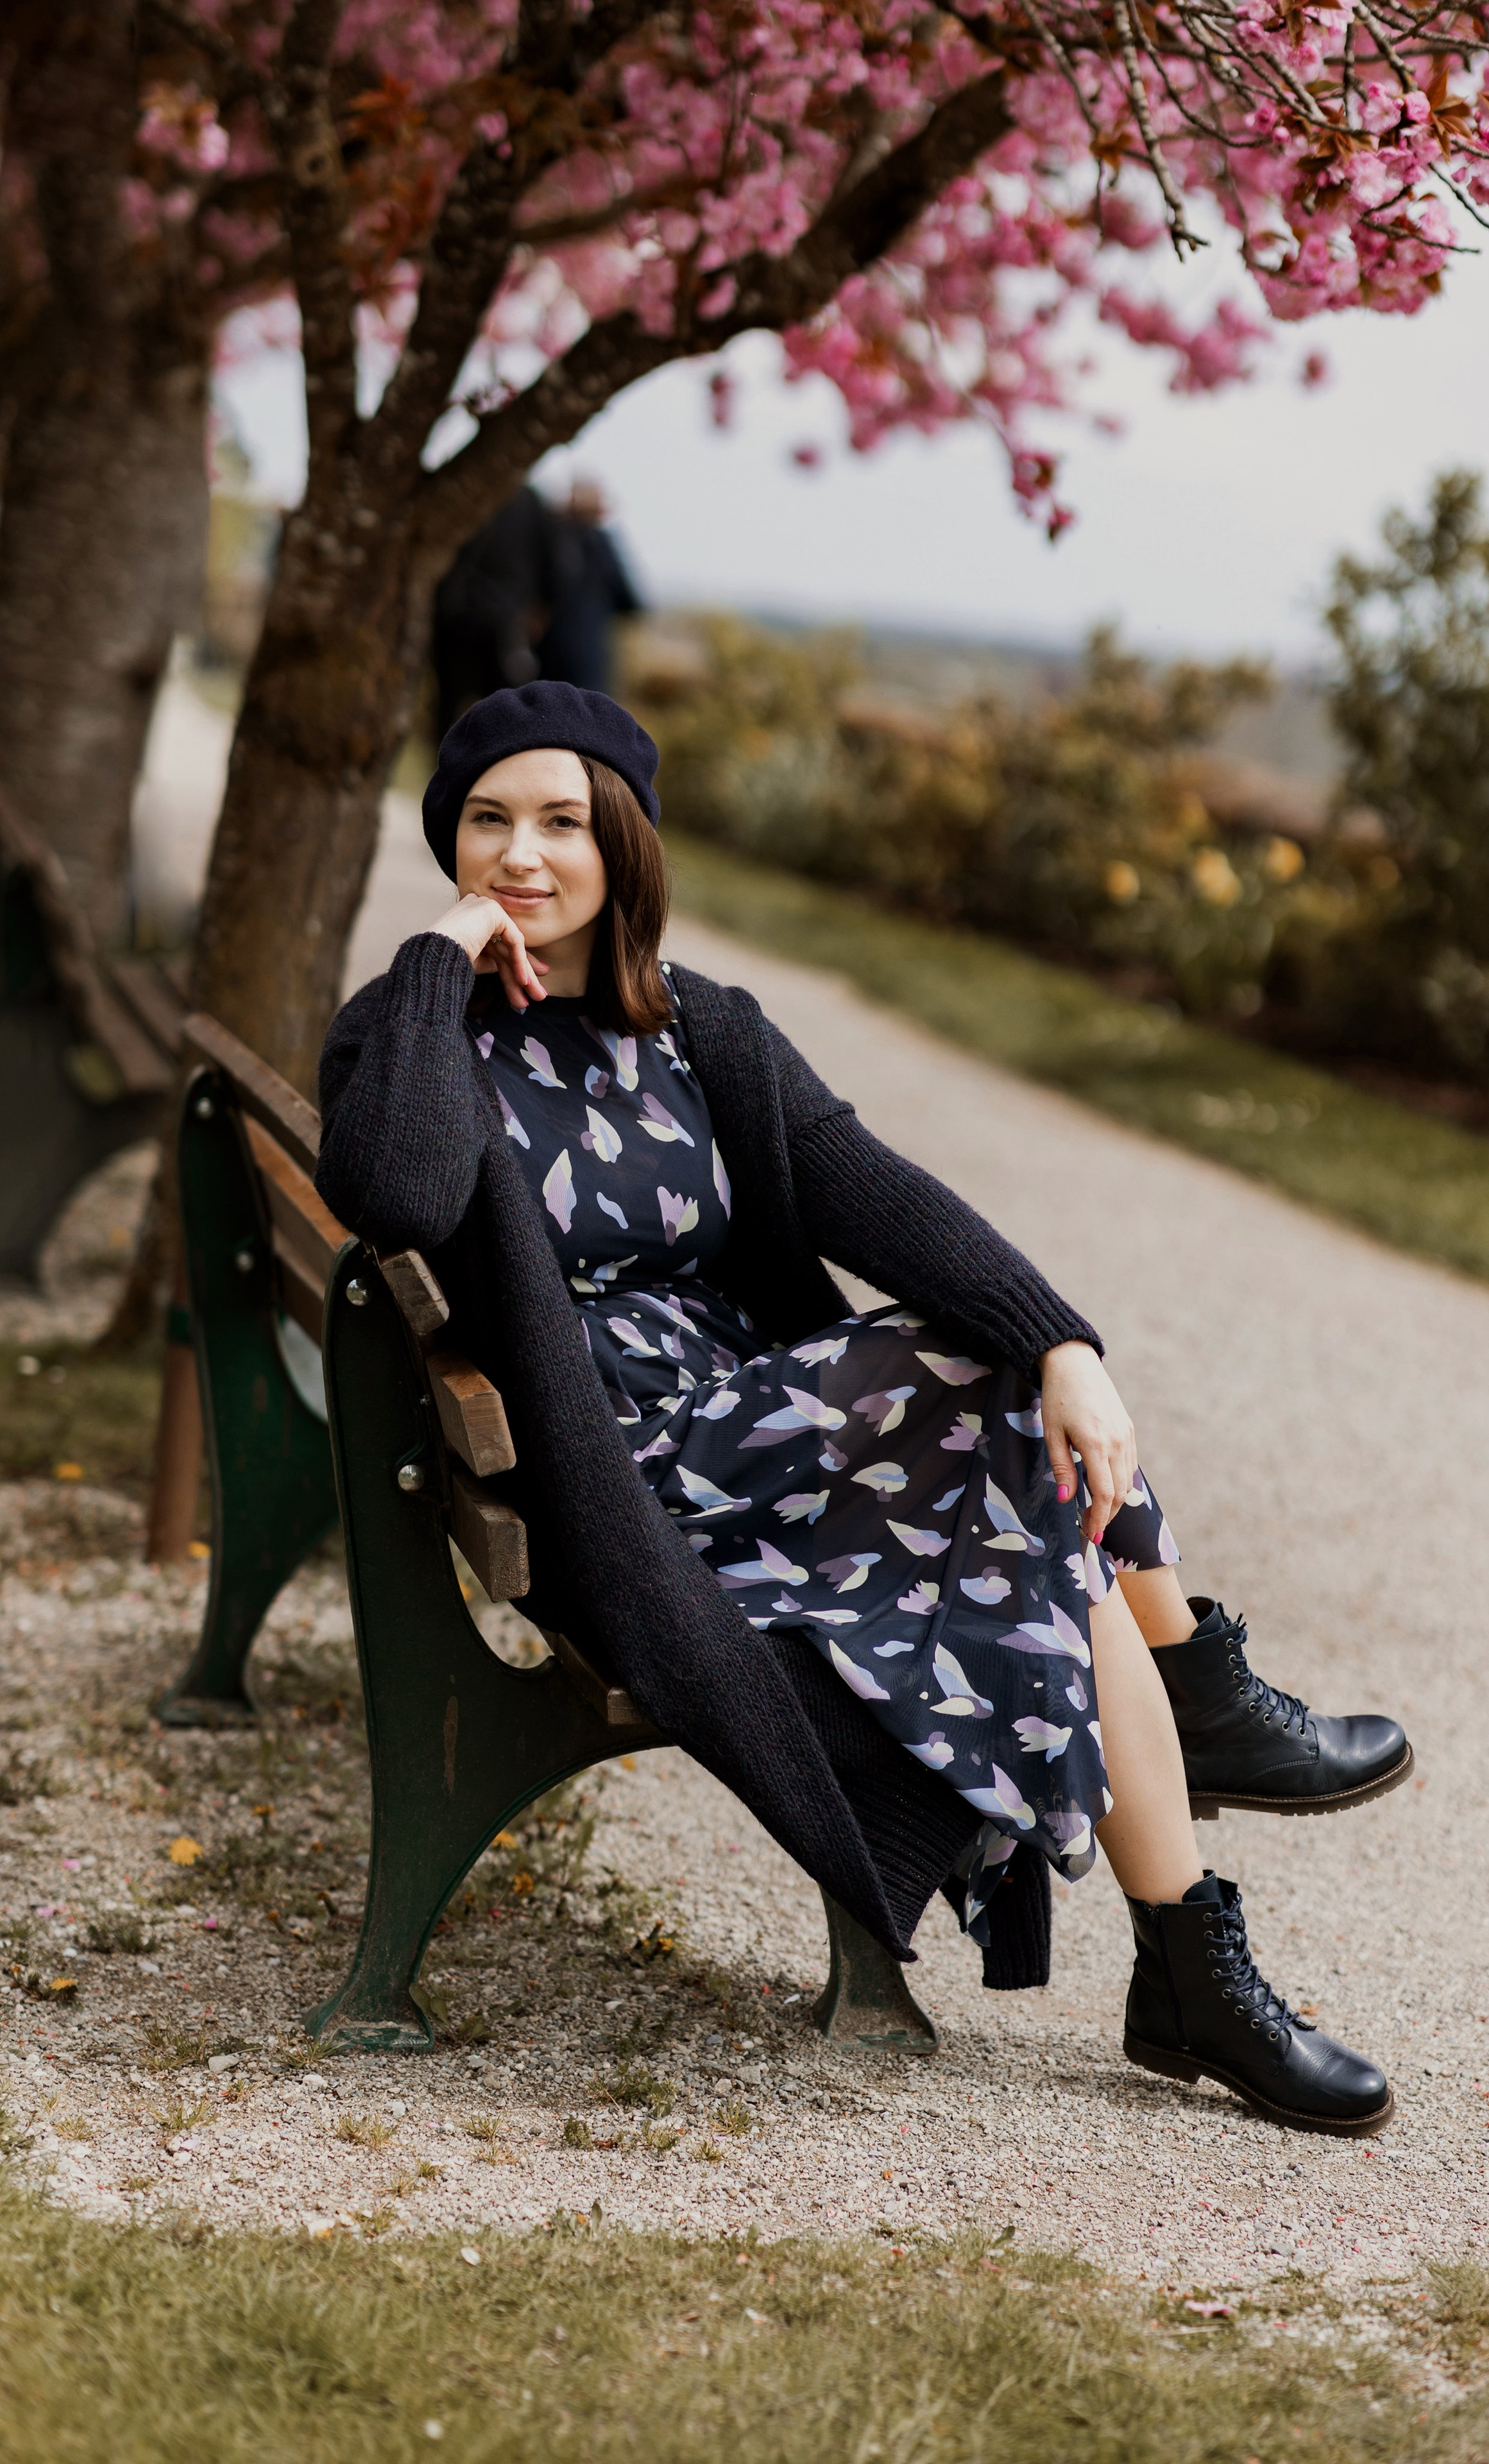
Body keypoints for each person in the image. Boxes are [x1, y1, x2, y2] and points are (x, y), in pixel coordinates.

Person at [316, 682, 1413, 2138]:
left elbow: (872, 1187)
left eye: (561, 821)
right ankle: (1195, 1718)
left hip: (762, 1438)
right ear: (449, 843)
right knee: (991, 1387)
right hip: (621, 1471)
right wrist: (437, 961)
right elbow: (391, 1190)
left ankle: (1188, 1956)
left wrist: (1066, 1343)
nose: (521, 853)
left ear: (622, 841)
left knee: (1040, 1473)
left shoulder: (699, 1031)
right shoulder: (415, 1036)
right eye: (486, 821)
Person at [430, 487, 559, 742]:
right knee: (508, 713)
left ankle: (449, 763)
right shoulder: (530, 503)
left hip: (463, 617)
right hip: (503, 619)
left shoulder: (466, 493)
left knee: (452, 706)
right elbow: (554, 566)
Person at [532, 480, 643, 695]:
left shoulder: (546, 539)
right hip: (589, 655)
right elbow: (628, 600)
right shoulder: (600, 545)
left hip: (547, 653)